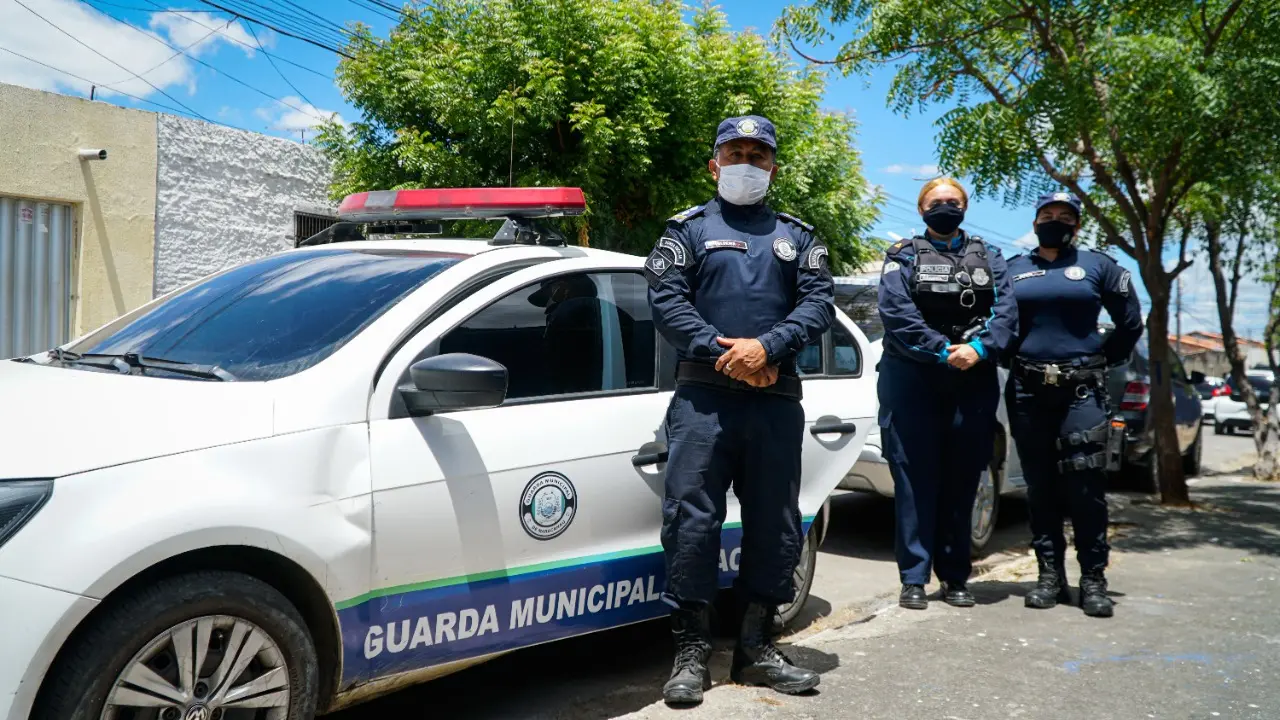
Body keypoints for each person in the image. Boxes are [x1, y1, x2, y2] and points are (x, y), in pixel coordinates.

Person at [644, 115, 834, 705]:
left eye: (758, 155)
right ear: (714, 165)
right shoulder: (687, 231)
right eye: (735, 154)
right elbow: (666, 301)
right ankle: (690, 653)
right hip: (704, 402)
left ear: (772, 168)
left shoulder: (799, 237)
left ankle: (756, 647)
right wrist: (726, 354)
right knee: (691, 522)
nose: (746, 164)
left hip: (775, 403)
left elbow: (818, 304)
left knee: (775, 524)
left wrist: (768, 348)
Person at [876, 177, 1018, 611]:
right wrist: (943, 350)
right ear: (922, 209)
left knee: (963, 479)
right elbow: (896, 312)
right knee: (914, 482)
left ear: (965, 207)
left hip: (972, 380)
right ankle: (913, 580)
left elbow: (1007, 312)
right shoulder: (902, 255)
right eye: (936, 201)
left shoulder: (990, 256)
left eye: (953, 201)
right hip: (913, 380)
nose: (945, 206)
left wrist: (978, 349)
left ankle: (956, 577)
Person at [1004, 191, 1143, 618]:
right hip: (1028, 390)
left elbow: (1130, 322)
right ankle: (1049, 577)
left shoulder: (1099, 266)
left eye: (1065, 216)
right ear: (1035, 222)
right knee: (1040, 487)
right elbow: (997, 325)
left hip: (1081, 392)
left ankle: (1093, 580)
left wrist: (1099, 359)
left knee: (1085, 488)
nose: (1055, 221)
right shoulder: (1012, 269)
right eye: (1047, 214)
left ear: (1077, 225)